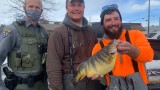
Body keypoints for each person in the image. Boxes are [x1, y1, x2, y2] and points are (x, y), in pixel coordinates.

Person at [91, 4, 154, 89]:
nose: (113, 23)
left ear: (121, 20)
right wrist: (98, 76)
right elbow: (100, 75)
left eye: (116, 19)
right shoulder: (98, 47)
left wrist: (132, 50)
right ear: (102, 24)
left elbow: (149, 56)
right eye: (108, 20)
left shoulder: (136, 34)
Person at [46, 0, 105, 90]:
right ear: (66, 8)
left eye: (79, 5)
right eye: (72, 5)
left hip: (93, 84)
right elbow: (53, 66)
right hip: (70, 84)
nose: (76, 9)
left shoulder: (91, 31)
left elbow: (98, 57)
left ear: (84, 7)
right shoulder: (57, 33)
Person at [0, 0, 48, 90]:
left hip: (42, 85)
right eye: (30, 6)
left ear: (41, 11)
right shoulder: (12, 30)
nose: (34, 10)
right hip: (21, 86)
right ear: (24, 8)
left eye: (37, 7)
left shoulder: (44, 32)